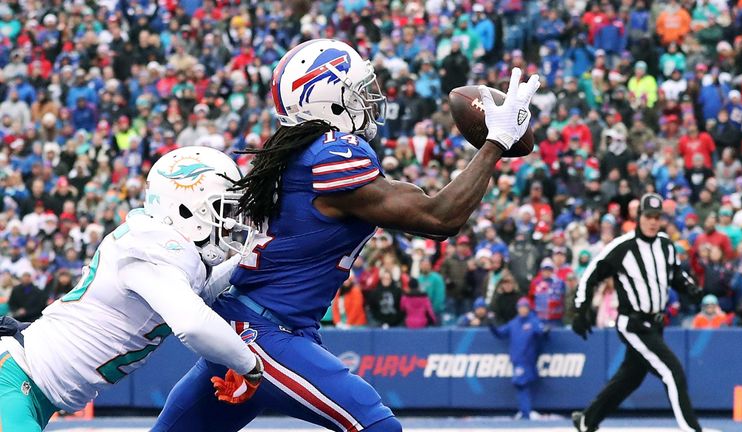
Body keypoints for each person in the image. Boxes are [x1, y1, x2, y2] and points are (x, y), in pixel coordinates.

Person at [153, 38, 540, 432]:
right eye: (359, 90)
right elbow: (440, 218)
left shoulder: (300, 153)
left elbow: (413, 201)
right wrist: (495, 143)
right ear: (329, 99)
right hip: (268, 334)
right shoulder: (333, 152)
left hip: (254, 324)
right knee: (378, 428)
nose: (370, 99)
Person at [0, 147, 264, 431]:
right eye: (222, 209)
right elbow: (193, 324)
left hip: (28, 386)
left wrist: (256, 253)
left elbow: (201, 294)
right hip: (13, 380)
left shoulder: (169, 254)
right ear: (187, 208)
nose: (230, 223)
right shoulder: (152, 247)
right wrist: (249, 366)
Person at [571, 193, 702, 432]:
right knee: (673, 372)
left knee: (629, 378)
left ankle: (587, 420)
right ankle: (692, 429)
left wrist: (689, 287)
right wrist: (580, 310)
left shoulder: (665, 244)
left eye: (657, 217)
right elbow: (591, 274)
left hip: (656, 324)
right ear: (639, 216)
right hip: (633, 323)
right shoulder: (623, 246)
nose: (653, 221)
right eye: (648, 216)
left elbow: (675, 274)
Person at [490, 297, 546, 420]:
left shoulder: (533, 321)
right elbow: (500, 333)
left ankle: (525, 413)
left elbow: (541, 331)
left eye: (524, 307)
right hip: (516, 360)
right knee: (521, 385)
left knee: (521, 384)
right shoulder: (514, 323)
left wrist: (544, 331)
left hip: (527, 360)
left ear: (528, 308)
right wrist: (491, 324)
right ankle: (525, 411)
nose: (522, 310)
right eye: (520, 307)